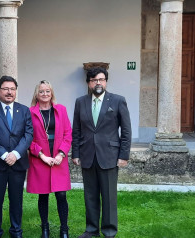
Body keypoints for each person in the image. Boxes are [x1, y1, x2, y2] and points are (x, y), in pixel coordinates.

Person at [72, 67, 131, 238]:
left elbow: (126, 130)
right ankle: (91, 229)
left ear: (105, 81)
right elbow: (76, 130)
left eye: (101, 79)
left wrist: (123, 155)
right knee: (90, 195)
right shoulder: (80, 102)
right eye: (94, 80)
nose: (98, 83)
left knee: (109, 196)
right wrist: (75, 153)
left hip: (110, 156)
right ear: (89, 83)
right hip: (87, 154)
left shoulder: (118, 101)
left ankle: (109, 230)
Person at [0, 76, 33, 238]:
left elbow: (28, 134)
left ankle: (16, 230)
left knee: (16, 200)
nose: (9, 92)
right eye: (5, 89)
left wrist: (16, 154)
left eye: (12, 89)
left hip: (18, 164)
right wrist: (4, 155)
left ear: (16, 91)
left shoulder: (24, 110)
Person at [27, 80, 72, 238]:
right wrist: (42, 155)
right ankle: (44, 228)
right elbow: (28, 138)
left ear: (51, 93)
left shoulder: (61, 110)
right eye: (41, 91)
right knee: (43, 195)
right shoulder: (30, 112)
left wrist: (61, 154)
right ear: (36, 95)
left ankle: (64, 229)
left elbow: (68, 134)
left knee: (61, 195)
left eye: (47, 91)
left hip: (59, 159)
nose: (45, 94)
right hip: (41, 159)